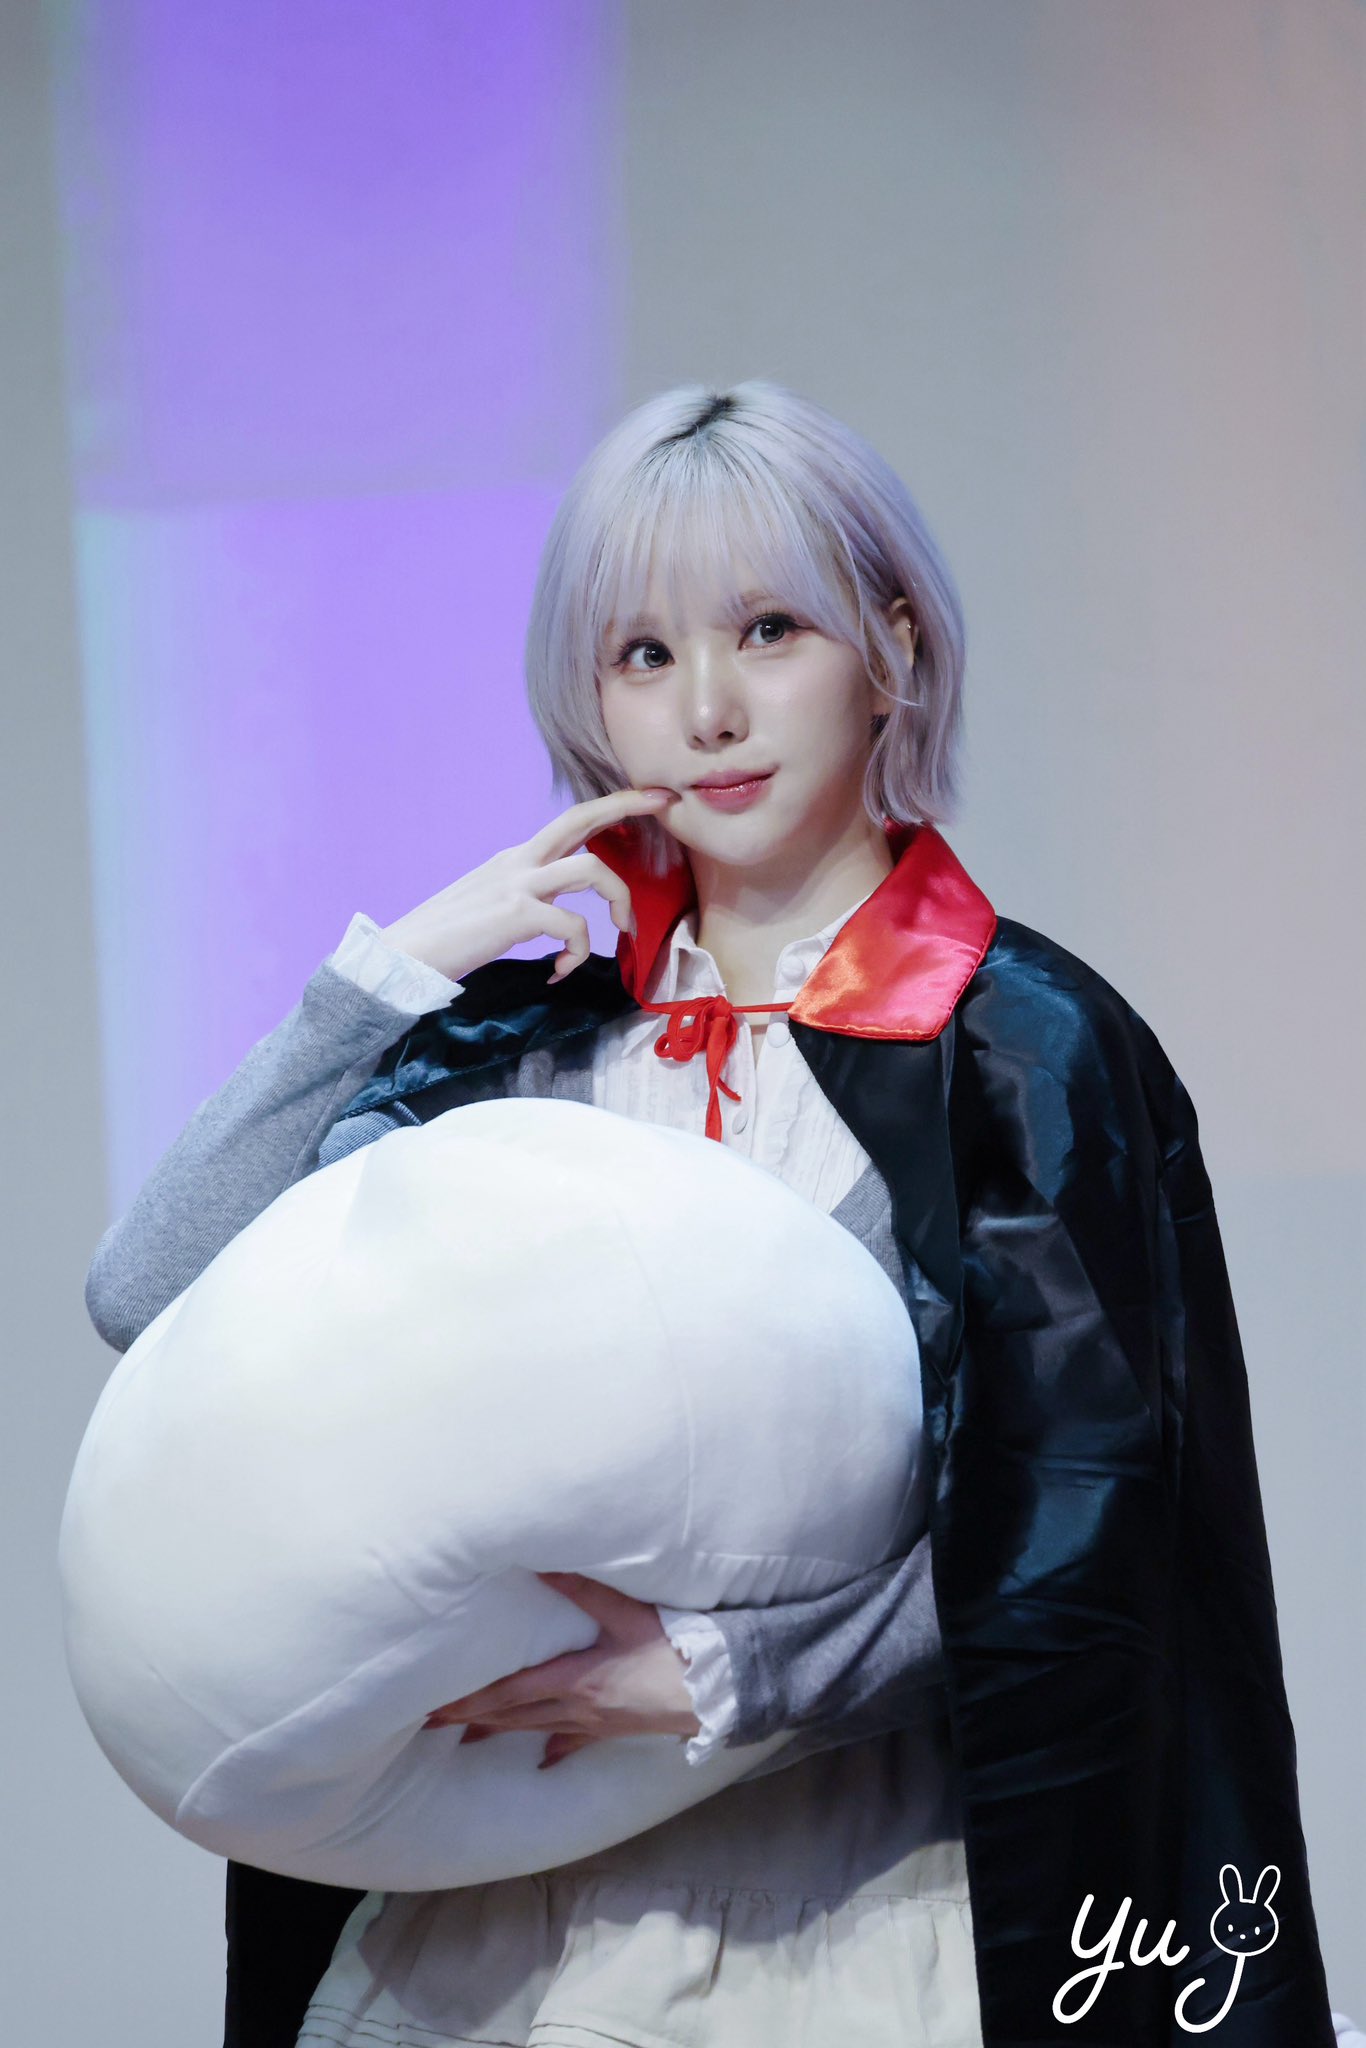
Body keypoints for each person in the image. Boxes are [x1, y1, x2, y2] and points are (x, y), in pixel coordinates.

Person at [83, 382, 1349, 2048]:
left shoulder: (1019, 1051)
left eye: (767, 630)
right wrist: (385, 981)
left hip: (858, 1905)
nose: (707, 709)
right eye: (642, 654)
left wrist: (725, 1677)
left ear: (890, 648)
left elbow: (1091, 1543)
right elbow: (150, 1294)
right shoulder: (517, 1047)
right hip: (490, 1927)